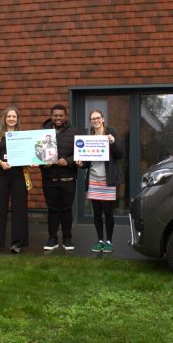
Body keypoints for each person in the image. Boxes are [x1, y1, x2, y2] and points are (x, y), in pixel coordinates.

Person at [0, 107, 33, 254]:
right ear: (4, 119)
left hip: (19, 176)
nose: (11, 119)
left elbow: (30, 155)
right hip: (1, 176)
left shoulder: (24, 136)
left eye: (14, 116)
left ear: (17, 119)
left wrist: (33, 161)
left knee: (20, 210)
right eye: (9, 116)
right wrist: (0, 163)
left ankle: (17, 244)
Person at [81, 110, 123, 253]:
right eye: (93, 119)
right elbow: (87, 161)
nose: (96, 120)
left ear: (103, 119)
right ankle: (99, 240)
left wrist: (113, 142)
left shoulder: (111, 133)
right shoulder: (89, 138)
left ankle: (109, 241)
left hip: (107, 179)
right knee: (97, 212)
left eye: (98, 118)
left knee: (108, 212)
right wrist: (81, 163)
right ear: (90, 121)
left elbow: (120, 154)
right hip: (93, 179)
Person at [40, 104, 80, 251]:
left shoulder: (74, 133)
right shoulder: (42, 134)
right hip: (49, 179)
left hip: (68, 179)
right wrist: (44, 164)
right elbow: (37, 154)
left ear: (65, 117)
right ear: (51, 116)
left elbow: (80, 153)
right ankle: (52, 238)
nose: (58, 118)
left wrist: (68, 161)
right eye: (55, 115)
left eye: (61, 116)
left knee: (67, 210)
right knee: (52, 210)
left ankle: (67, 238)